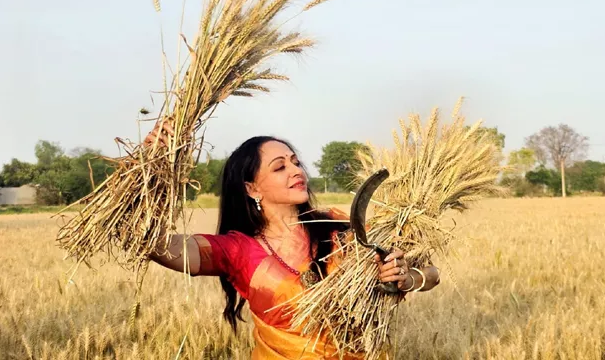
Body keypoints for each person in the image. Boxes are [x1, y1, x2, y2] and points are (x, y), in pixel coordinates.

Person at [144, 119, 440, 359]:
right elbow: (155, 245)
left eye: (295, 162)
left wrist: (405, 279)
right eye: (280, 166)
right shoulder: (238, 250)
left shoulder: (338, 226)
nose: (296, 170)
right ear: (251, 188)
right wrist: (150, 167)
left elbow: (431, 273)